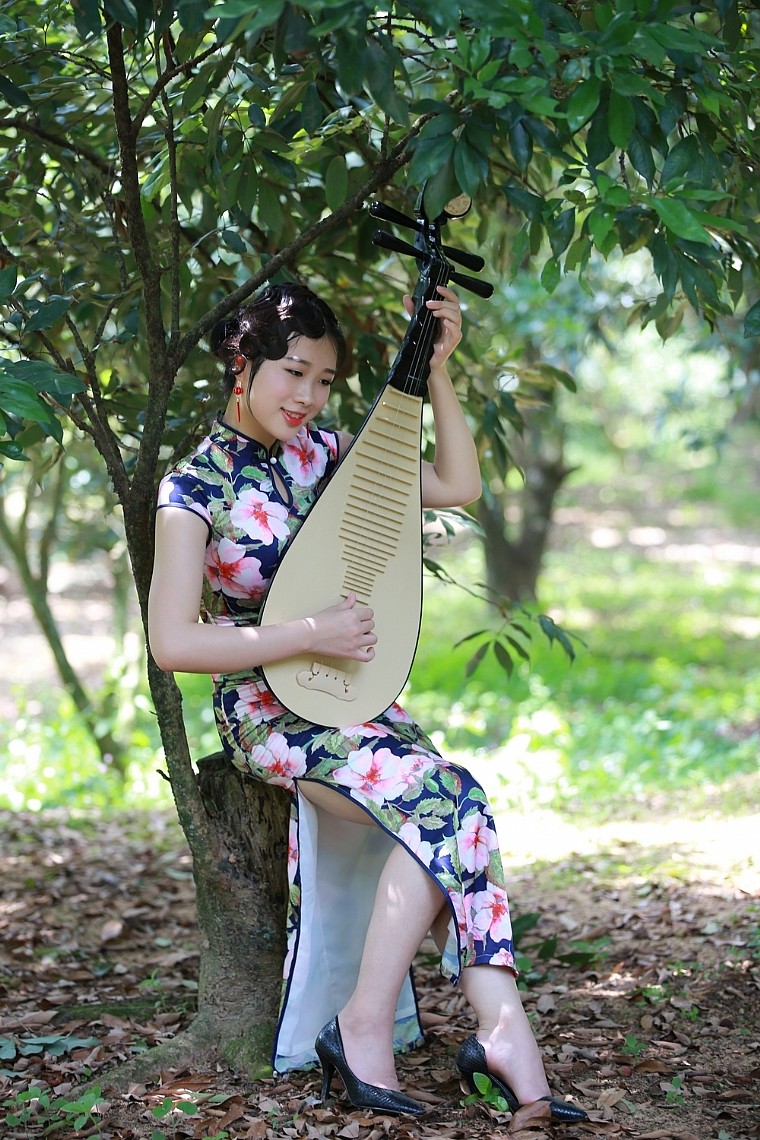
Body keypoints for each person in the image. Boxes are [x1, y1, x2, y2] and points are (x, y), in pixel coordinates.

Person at [148, 281, 588, 1124]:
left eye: (324, 380)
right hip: (268, 712)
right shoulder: (193, 487)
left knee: (457, 801)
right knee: (448, 802)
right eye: (294, 372)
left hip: (357, 701)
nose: (309, 396)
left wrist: (441, 368)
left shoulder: (328, 455)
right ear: (242, 363)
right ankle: (409, 1032)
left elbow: (457, 483)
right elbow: (173, 643)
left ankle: (486, 1030)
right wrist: (309, 631)